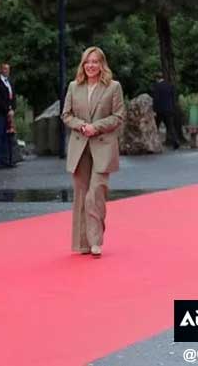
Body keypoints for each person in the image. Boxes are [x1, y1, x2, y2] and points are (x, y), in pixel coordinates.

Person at [60, 47, 125, 257]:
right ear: (83, 64)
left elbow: (118, 116)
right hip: (80, 146)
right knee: (81, 195)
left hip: (103, 146)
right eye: (87, 62)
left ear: (102, 64)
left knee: (95, 193)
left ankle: (95, 241)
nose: (91, 65)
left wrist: (95, 127)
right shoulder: (74, 86)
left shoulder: (113, 87)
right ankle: (82, 244)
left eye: (95, 61)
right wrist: (81, 126)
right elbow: (66, 115)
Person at [0, 63, 16, 168]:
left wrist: (13, 109)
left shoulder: (10, 82)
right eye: (5, 69)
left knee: (7, 137)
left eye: (8, 69)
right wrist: (7, 109)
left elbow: (13, 97)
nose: (7, 71)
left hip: (9, 114)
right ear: (1, 70)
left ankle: (6, 160)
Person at [151, 72, 179, 149]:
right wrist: (172, 108)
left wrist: (154, 110)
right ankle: (175, 141)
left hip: (160, 111)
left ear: (157, 78)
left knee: (155, 126)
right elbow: (173, 98)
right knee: (170, 127)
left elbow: (156, 99)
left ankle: (153, 142)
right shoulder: (170, 85)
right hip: (169, 110)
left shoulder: (157, 86)